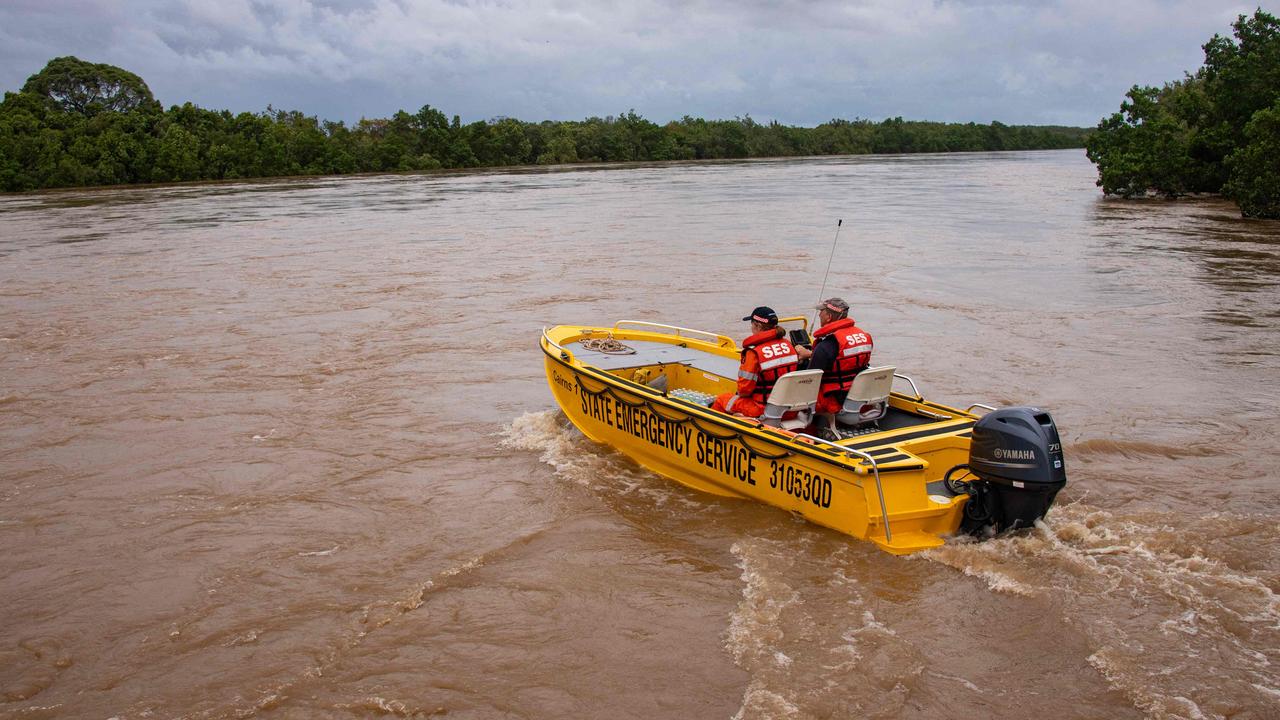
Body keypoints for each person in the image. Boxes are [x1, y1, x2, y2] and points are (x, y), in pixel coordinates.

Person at [712, 306, 800, 417]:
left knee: (722, 400)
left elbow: (744, 390)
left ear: (757, 325)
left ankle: (714, 432)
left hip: (762, 408)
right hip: (789, 408)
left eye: (752, 325)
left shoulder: (754, 353)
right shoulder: (788, 345)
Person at [795, 297, 873, 416]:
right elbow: (843, 359)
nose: (819, 314)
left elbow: (809, 380)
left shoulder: (825, 345)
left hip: (833, 399)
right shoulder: (864, 336)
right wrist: (811, 354)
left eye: (821, 311)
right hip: (859, 394)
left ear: (829, 317)